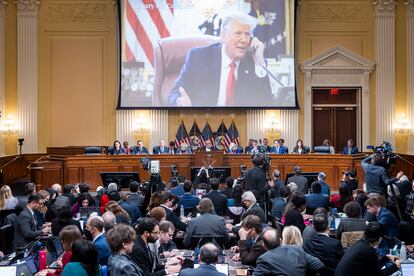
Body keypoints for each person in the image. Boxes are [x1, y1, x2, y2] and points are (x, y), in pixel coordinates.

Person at [168, 12, 271, 107]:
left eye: (247, 34)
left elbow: (266, 102)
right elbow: (176, 93)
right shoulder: (198, 57)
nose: (244, 40)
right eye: (238, 33)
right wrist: (180, 104)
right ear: (223, 36)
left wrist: (259, 62)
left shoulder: (255, 62)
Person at [334, 222, 400, 276]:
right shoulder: (369, 251)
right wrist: (396, 266)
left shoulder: (360, 243)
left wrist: (386, 258)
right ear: (380, 239)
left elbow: (372, 268)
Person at [253, 228, 324, 276]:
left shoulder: (264, 259)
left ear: (264, 245)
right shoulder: (297, 249)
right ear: (280, 240)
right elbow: (319, 265)